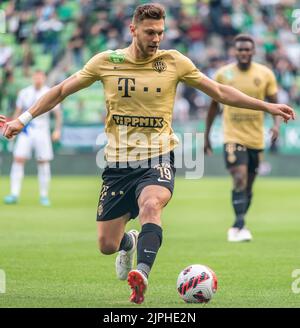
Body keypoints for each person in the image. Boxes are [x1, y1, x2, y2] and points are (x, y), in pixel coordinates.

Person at [0, 4, 295, 304]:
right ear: (133, 30)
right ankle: (129, 243)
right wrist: (22, 120)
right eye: (150, 32)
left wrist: (267, 106)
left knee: (151, 206)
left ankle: (141, 273)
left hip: (158, 157)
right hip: (118, 164)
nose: (157, 38)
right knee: (106, 244)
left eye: (161, 32)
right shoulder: (107, 61)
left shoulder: (174, 62)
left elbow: (219, 91)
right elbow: (61, 90)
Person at [204, 34, 281, 242]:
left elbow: (274, 103)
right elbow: (213, 106)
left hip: (256, 138)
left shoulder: (265, 74)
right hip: (232, 135)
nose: (244, 53)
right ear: (234, 51)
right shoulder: (222, 74)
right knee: (239, 177)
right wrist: (207, 136)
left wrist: (275, 125)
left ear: (253, 51)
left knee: (248, 185)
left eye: (247, 49)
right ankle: (239, 225)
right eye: (240, 50)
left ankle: (239, 223)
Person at [3, 70, 62, 206]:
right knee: (18, 159)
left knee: (43, 161)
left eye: (40, 77)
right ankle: (14, 193)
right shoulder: (24, 93)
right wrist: (12, 127)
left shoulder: (49, 91)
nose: (38, 79)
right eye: (36, 77)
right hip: (26, 130)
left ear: (44, 78)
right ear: (32, 78)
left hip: (42, 130)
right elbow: (18, 111)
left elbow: (58, 113)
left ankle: (44, 195)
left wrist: (57, 130)